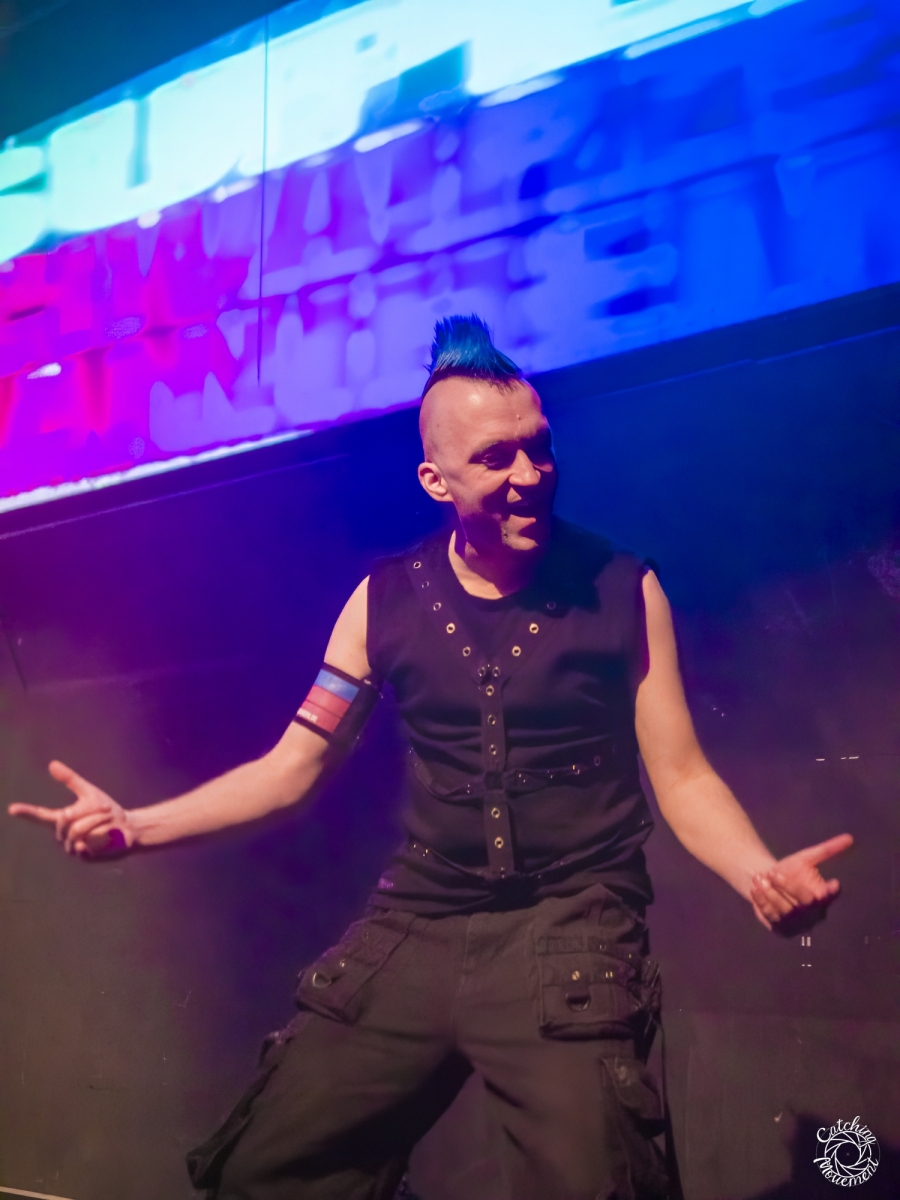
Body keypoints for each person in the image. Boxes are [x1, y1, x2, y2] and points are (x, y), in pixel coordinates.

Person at [9, 315, 852, 1200]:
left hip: (572, 925)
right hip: (419, 923)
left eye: (539, 448)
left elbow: (681, 775)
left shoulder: (624, 588)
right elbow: (292, 767)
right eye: (496, 458)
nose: (530, 475)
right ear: (435, 479)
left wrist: (758, 873)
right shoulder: (383, 602)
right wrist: (137, 827)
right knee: (268, 1169)